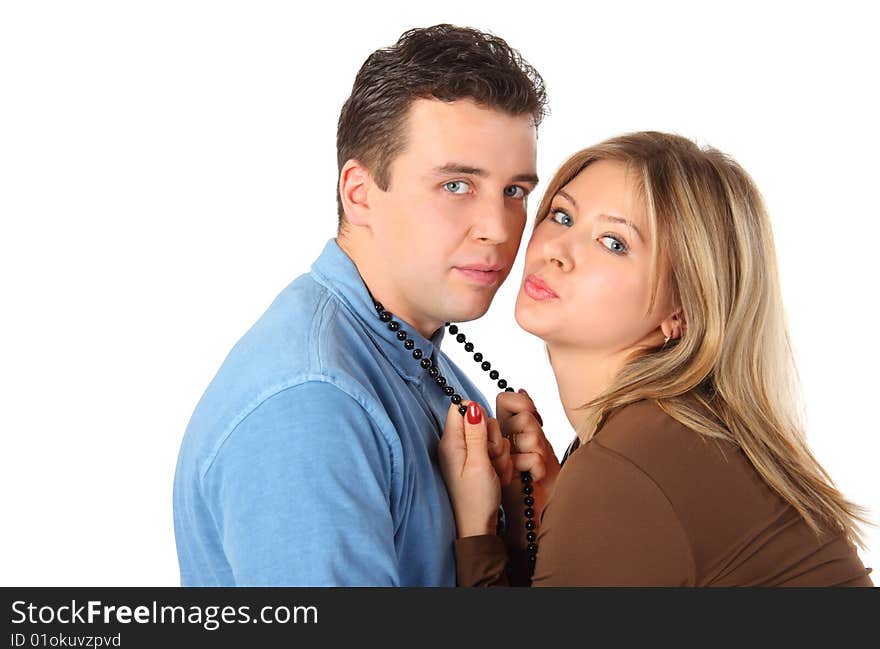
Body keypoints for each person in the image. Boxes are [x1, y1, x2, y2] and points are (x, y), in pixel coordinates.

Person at [172, 24, 547, 585]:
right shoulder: (311, 406)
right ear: (360, 193)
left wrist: (517, 526)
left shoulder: (415, 351)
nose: (497, 229)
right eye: (456, 185)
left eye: (514, 191)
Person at [439, 131, 874, 586]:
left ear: (681, 310)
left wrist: (476, 529)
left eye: (614, 243)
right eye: (562, 216)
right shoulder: (669, 434)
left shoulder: (628, 467)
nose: (557, 250)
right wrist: (541, 516)